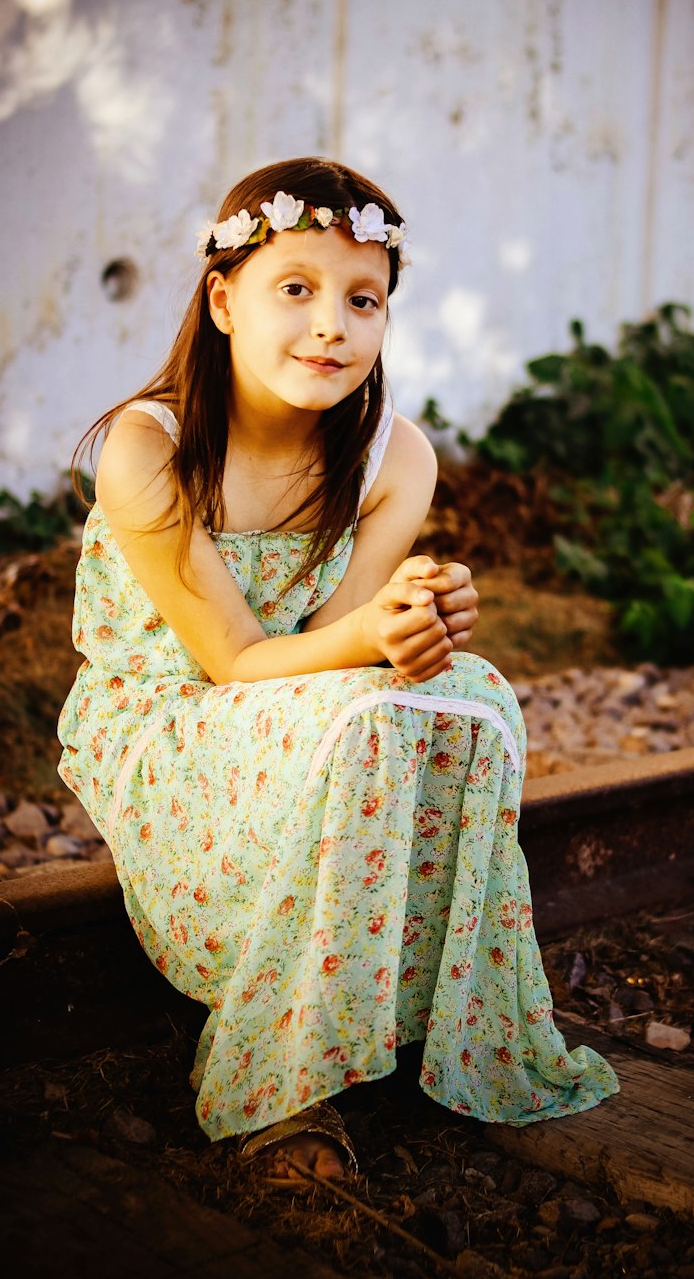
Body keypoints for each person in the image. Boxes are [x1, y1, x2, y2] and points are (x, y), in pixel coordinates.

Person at [58, 156, 618, 1185]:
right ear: (223, 299)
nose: (331, 327)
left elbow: (342, 635)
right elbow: (231, 660)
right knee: (367, 719)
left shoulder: (392, 458)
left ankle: (423, 1020)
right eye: (297, 290)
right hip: (175, 719)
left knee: (476, 694)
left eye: (362, 300)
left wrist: (417, 621)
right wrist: (370, 647)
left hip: (295, 698)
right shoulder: (151, 446)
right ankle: (282, 1089)